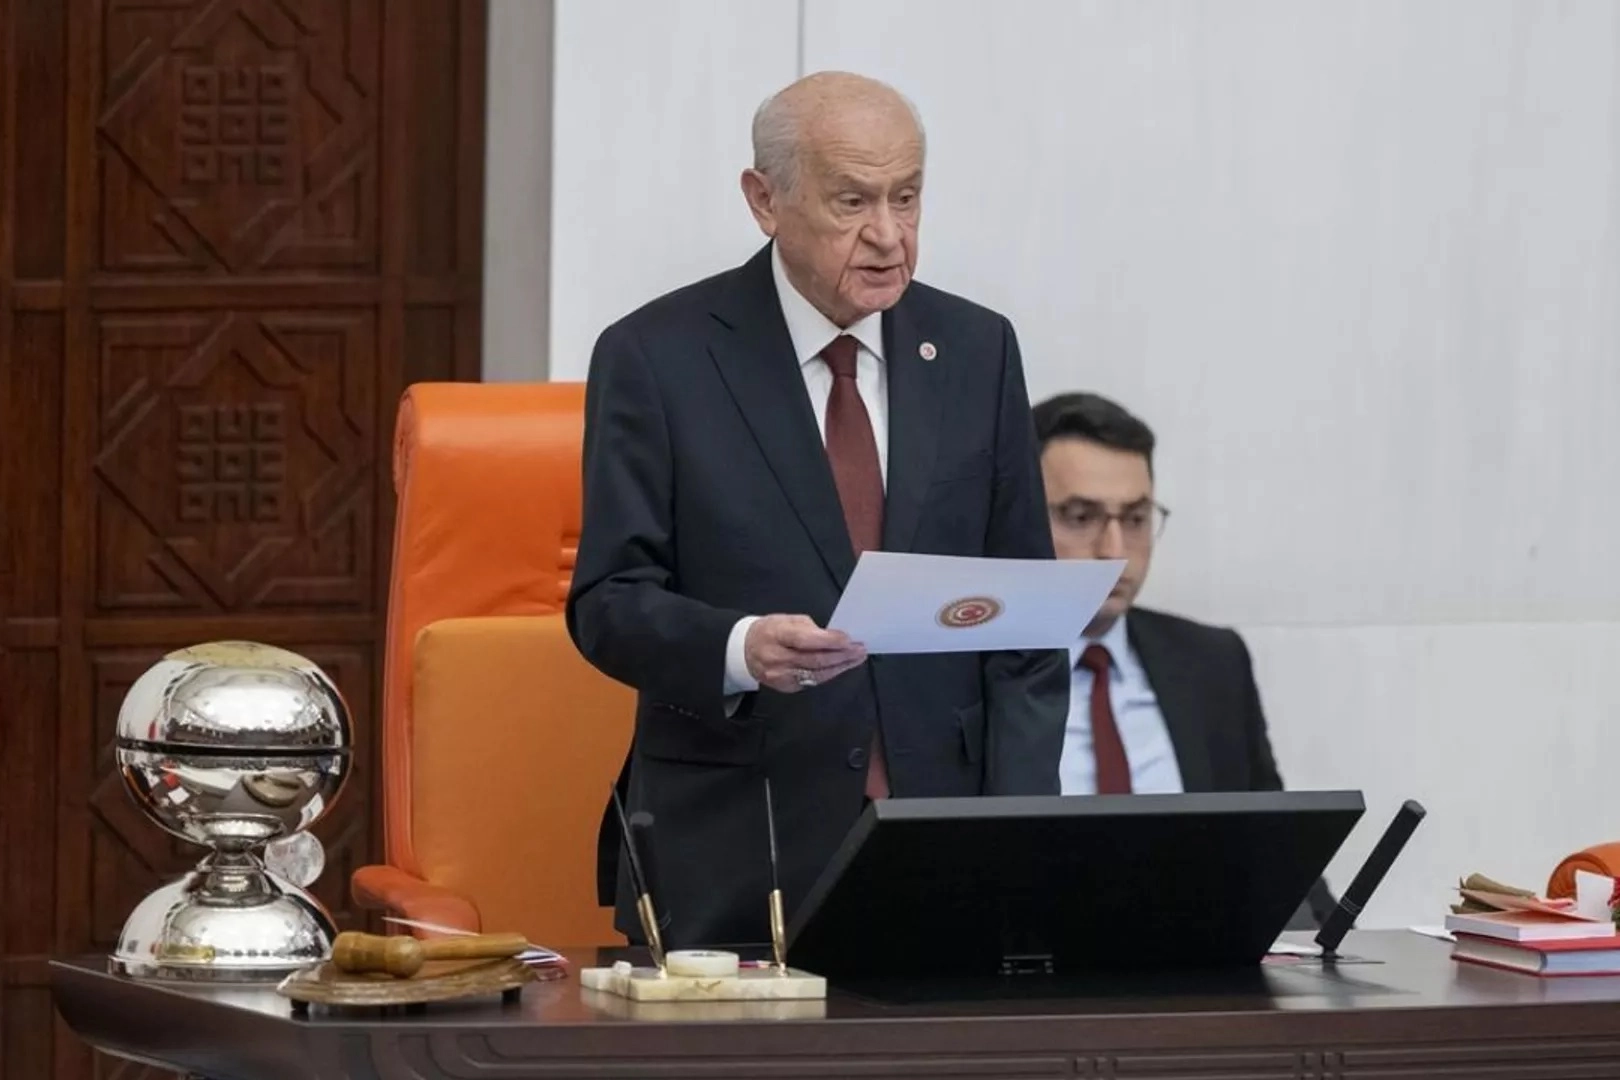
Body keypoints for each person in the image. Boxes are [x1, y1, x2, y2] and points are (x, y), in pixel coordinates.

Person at [568, 72, 1068, 949]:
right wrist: (739, 648)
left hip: (942, 841)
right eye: (852, 202)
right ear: (765, 201)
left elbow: (1024, 619)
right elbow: (607, 602)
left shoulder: (976, 349)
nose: (889, 235)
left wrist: (1017, 834)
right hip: (735, 847)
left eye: (906, 197)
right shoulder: (657, 357)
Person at [1033, 391, 1335, 926]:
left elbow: (1280, 858)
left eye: (1136, 518)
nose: (1114, 550)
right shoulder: (971, 673)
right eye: (1081, 516)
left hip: (1206, 963)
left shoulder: (1211, 664)